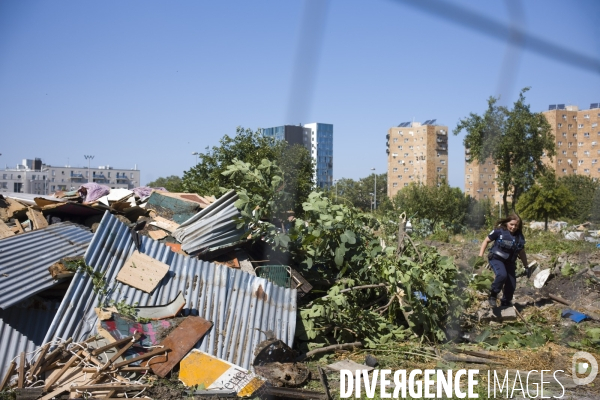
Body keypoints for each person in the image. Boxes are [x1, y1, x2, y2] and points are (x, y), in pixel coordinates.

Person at [478, 213, 528, 307]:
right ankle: (493, 295)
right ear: (506, 223)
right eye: (511, 224)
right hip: (496, 258)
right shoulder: (499, 231)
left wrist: (526, 266)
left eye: (516, 225)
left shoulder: (519, 237)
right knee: (502, 275)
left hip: (510, 262)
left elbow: (522, 252)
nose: (513, 227)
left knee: (511, 284)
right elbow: (486, 241)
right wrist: (480, 256)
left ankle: (505, 302)